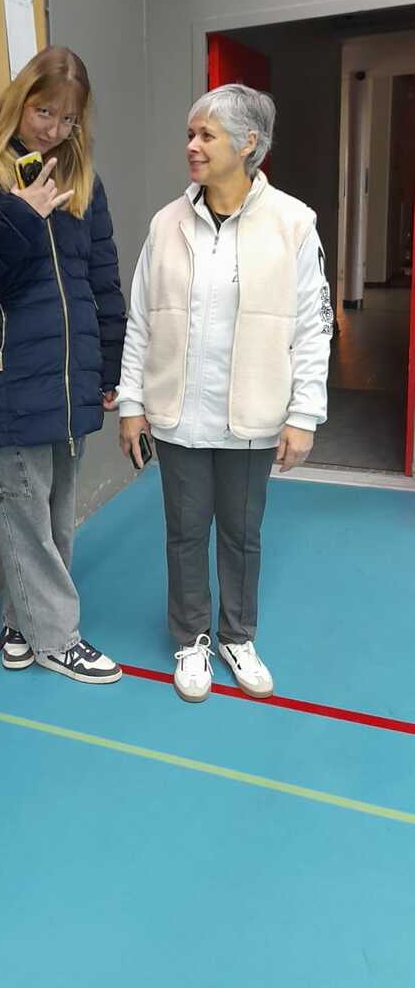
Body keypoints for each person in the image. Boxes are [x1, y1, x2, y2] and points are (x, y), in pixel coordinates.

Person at [118, 84, 332, 703]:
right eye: (190, 134)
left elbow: (313, 326)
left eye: (206, 135)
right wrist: (131, 404)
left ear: (248, 144)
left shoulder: (294, 224)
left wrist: (304, 414)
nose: (192, 145)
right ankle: (192, 638)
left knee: (242, 534)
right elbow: (141, 320)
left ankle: (238, 635)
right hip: (179, 414)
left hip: (252, 416)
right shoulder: (166, 224)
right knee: (185, 532)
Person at [0, 47, 126, 684]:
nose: (53, 129)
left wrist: (109, 364)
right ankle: (57, 638)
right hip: (3, 376)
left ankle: (21, 623)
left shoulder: (84, 182)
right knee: (23, 514)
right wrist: (21, 213)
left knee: (52, 515)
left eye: (68, 119)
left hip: (68, 376)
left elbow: (102, 279)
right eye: (44, 111)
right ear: (20, 99)